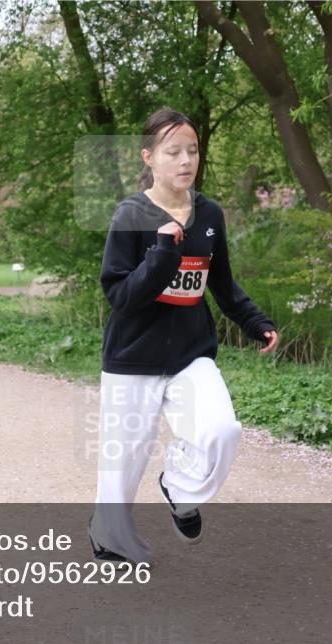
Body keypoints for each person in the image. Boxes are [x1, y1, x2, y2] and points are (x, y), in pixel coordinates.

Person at [88, 108, 280, 564]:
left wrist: (255, 321)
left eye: (192, 150)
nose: (185, 160)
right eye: (173, 151)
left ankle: (179, 485)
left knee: (221, 430)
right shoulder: (131, 214)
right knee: (122, 464)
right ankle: (108, 537)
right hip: (132, 357)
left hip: (190, 354)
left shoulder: (210, 213)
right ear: (149, 158)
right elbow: (119, 294)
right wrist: (161, 252)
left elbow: (221, 282)